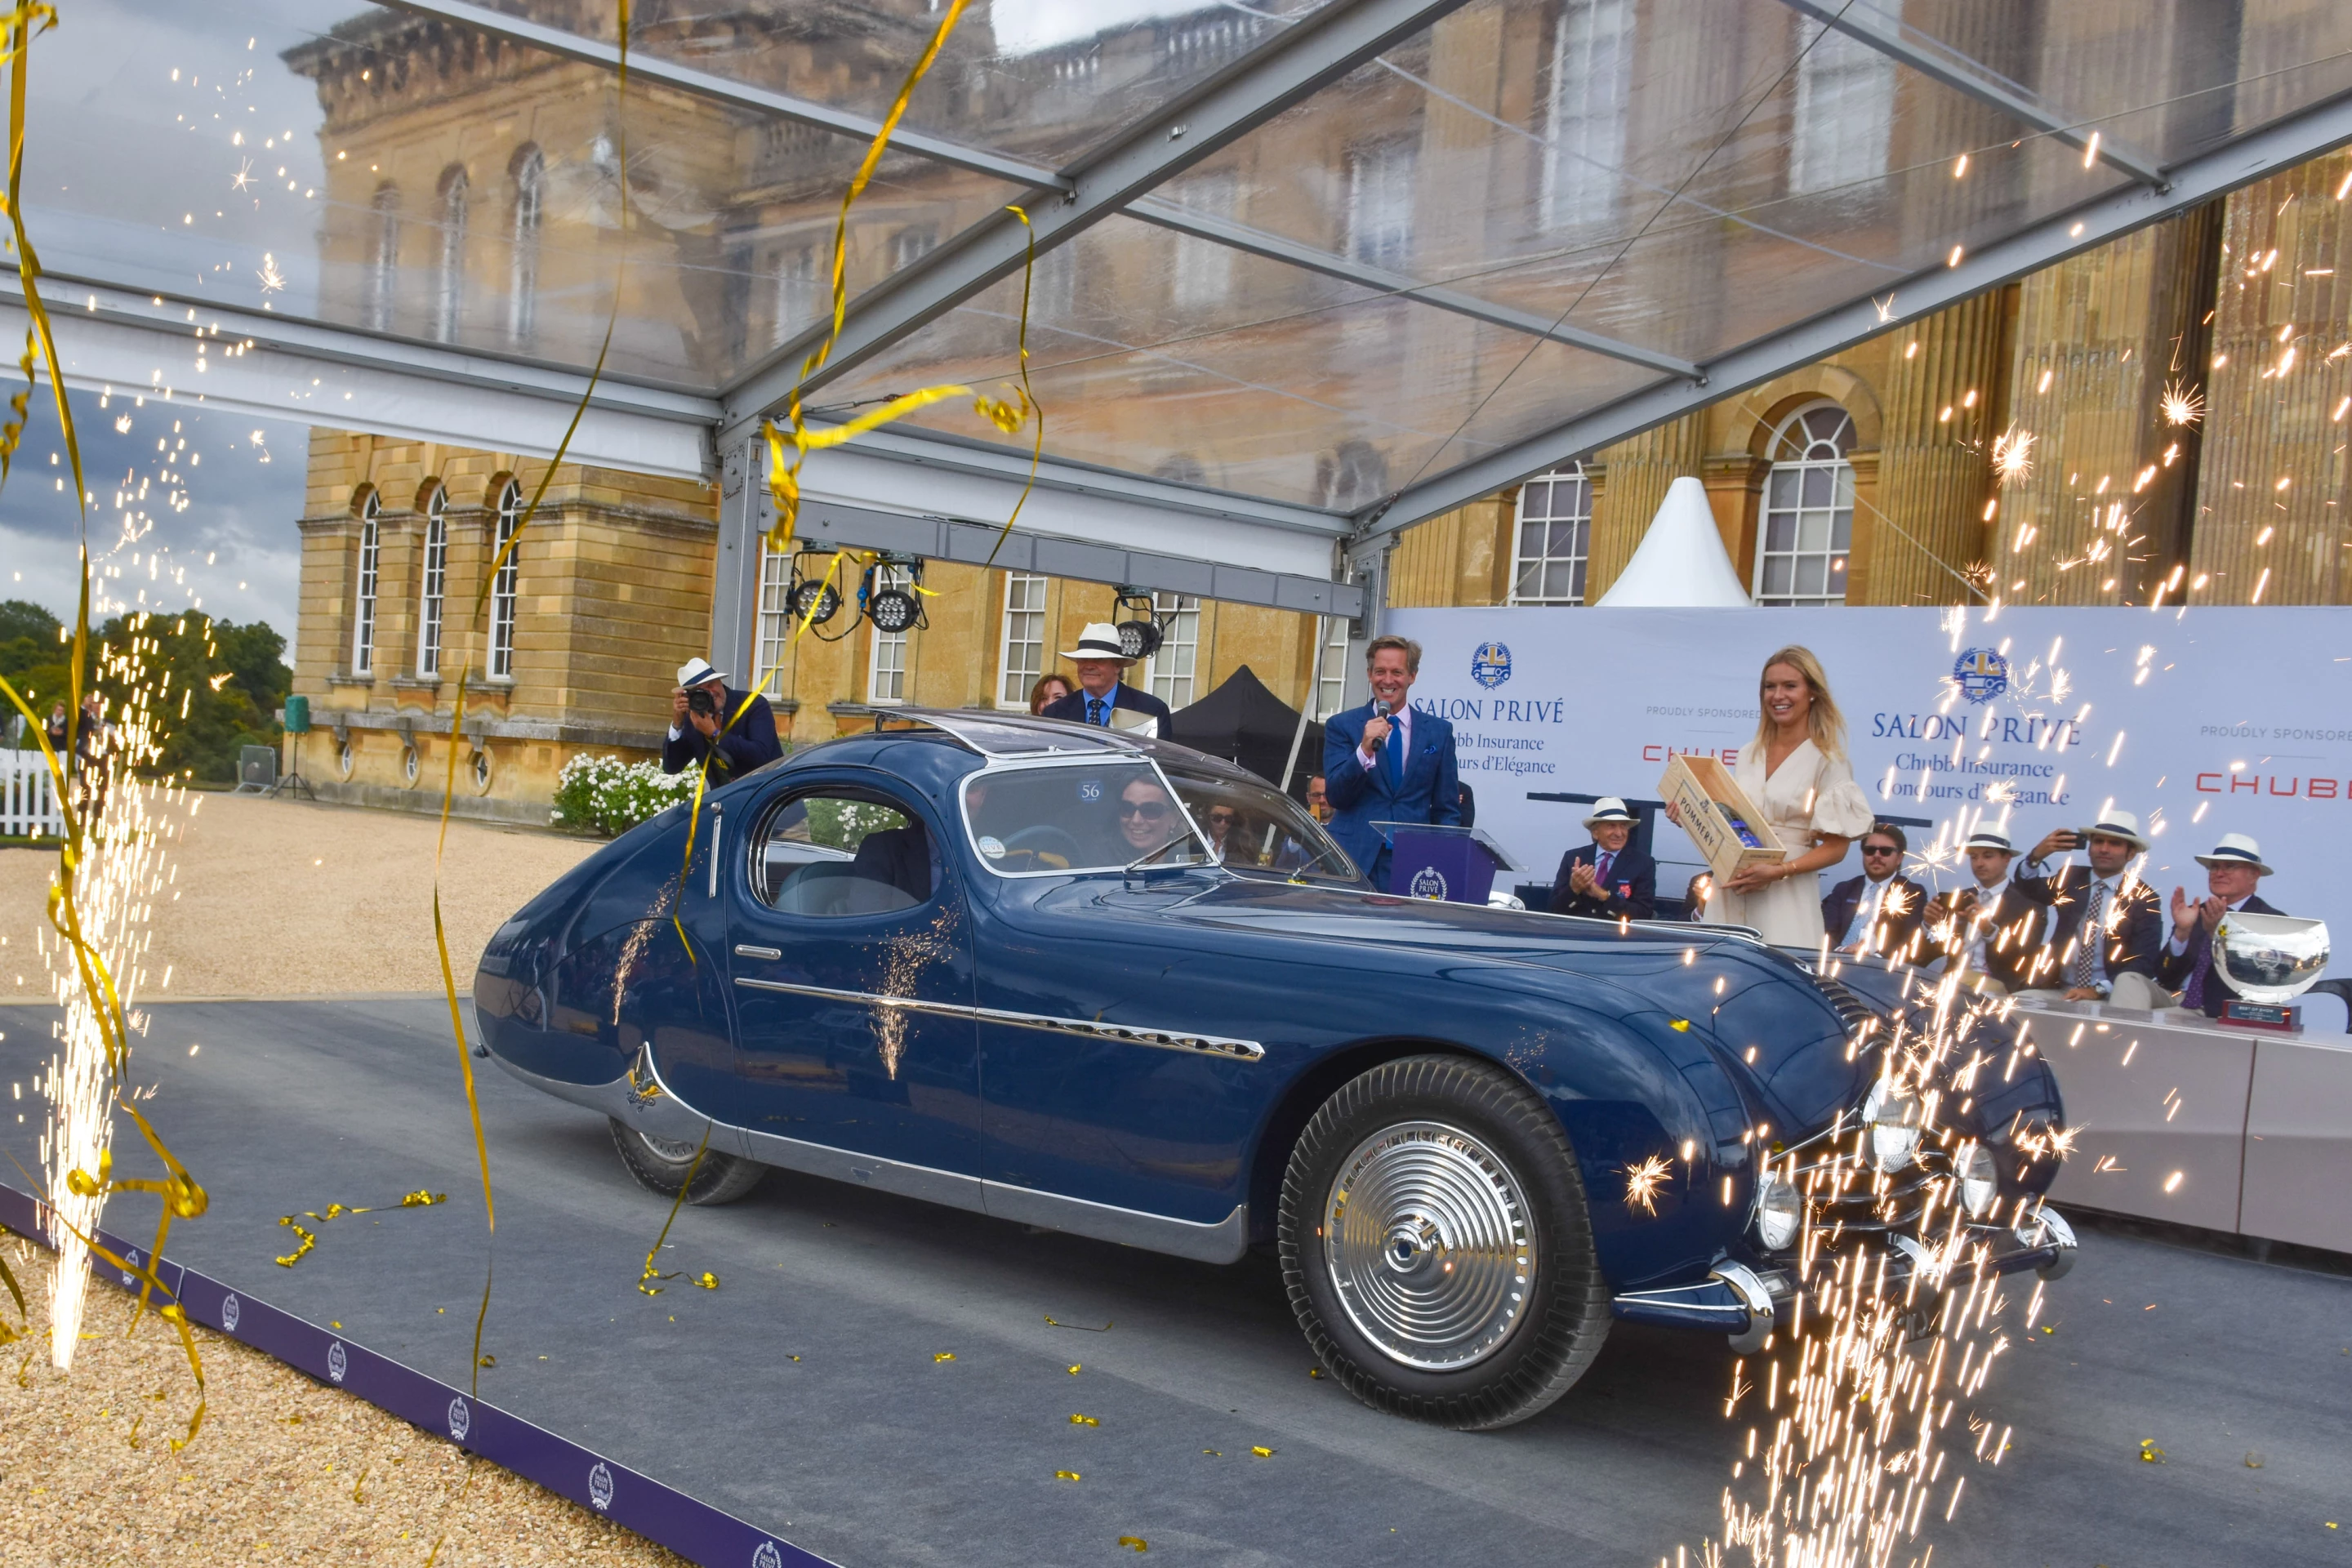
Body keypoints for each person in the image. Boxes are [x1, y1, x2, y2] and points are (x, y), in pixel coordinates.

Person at [1668, 645, 1872, 947]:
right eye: (1770, 687)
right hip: (1731, 886)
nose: (1778, 696)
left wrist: (1779, 871)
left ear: (1812, 692)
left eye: (1790, 686)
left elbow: (1837, 848)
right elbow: (1734, 827)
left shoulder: (1828, 760)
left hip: (1787, 895)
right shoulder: (1747, 754)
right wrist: (1690, 816)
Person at [1321, 635, 1460, 889]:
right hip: (1354, 858)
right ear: (1369, 674)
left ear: (1412, 676)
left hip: (1415, 862)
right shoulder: (1342, 726)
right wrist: (1364, 750)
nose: (1387, 680)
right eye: (1380, 672)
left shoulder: (1438, 732)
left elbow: (1447, 809)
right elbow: (1337, 796)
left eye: (1397, 672)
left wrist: (1442, 858)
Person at [2012, 809, 2164, 1006]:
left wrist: (2098, 990)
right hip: (2060, 990)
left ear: (2131, 853)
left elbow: (2144, 960)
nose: (2104, 849)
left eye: (2114, 844)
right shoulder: (2071, 878)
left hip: (2110, 997)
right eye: (2098, 842)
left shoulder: (2144, 898)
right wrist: (2035, 857)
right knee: (2015, 1006)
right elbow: (2029, 888)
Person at [2158, 833, 2283, 1017]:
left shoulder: (2270, 921)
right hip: (2174, 995)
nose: (2219, 873)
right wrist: (2181, 934)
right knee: (2130, 981)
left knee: (2149, 1018)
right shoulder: (2196, 912)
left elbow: (2258, 982)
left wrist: (2217, 935)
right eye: (2214, 867)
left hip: (2216, 1007)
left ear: (2254, 875)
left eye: (2230, 866)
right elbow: (2163, 975)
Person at [1937, 826, 2049, 993]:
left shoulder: (2029, 905)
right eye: (1974, 857)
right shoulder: (1961, 899)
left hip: (1999, 990)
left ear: (2007, 859)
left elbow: (2025, 956)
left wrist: (1989, 930)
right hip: (1951, 984)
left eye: (1988, 856)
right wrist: (1930, 925)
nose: (1979, 863)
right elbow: (1930, 952)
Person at [1820, 822, 1930, 959]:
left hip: (1880, 966)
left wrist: (1875, 958)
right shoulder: (1844, 889)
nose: (1877, 855)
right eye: (1870, 850)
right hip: (1835, 961)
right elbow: (1826, 931)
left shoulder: (1912, 893)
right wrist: (1843, 951)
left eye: (1885, 851)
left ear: (1899, 858)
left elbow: (1909, 939)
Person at [662, 657, 782, 781]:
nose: (710, 693)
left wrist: (714, 734)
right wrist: (677, 724)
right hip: (725, 792)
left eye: (710, 685)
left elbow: (762, 755)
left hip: (767, 787)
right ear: (689, 697)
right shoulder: (693, 719)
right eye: (700, 692)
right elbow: (672, 767)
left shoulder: (753, 704)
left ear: (720, 681)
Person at [1040, 624, 1173, 730]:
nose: (1089, 666)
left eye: (1098, 659)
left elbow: (1160, 756)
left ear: (1118, 665)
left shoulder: (1151, 711)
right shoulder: (1054, 714)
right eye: (1083, 659)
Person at [1549, 797, 1656, 920]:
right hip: (1575, 930)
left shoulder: (1643, 863)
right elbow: (1553, 909)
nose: (1619, 833)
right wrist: (1574, 889)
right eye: (1611, 826)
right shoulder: (1573, 857)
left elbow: (1644, 914)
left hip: (1615, 932)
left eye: (1623, 826)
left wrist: (1605, 896)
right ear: (1595, 832)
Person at [1115, 773, 1186, 857]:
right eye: (1127, 808)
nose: (1136, 820)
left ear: (1174, 818)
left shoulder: (1189, 857)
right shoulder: (1103, 860)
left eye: (1150, 810)